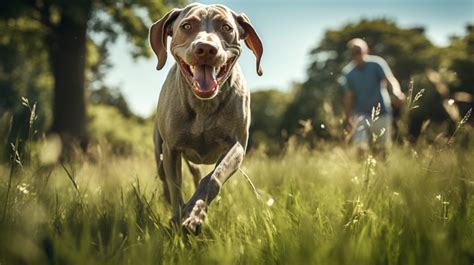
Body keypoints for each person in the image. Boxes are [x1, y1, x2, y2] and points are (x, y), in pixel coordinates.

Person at [341, 38, 405, 157]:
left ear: (366, 50)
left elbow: (390, 80)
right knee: (360, 147)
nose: (356, 54)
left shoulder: (376, 64)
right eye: (353, 52)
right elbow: (349, 97)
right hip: (361, 114)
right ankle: (362, 172)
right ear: (350, 54)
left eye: (358, 50)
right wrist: (347, 117)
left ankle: (381, 173)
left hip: (382, 112)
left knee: (381, 149)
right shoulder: (349, 73)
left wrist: (397, 92)